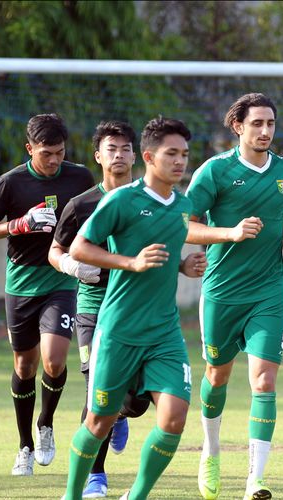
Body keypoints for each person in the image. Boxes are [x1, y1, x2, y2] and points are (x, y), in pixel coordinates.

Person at [61, 116, 201, 500]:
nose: (180, 161)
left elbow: (165, 252)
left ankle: (135, 496)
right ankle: (72, 494)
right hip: (119, 328)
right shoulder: (121, 199)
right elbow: (79, 248)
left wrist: (183, 265)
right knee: (98, 421)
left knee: (173, 417)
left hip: (164, 331)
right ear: (149, 156)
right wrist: (130, 262)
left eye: (184, 154)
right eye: (171, 153)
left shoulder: (182, 204)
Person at [185, 93, 283, 500]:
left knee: (265, 381)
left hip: (268, 293)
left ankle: (255, 478)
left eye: (271, 123)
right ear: (237, 126)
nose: (266, 131)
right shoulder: (214, 172)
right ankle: (212, 451)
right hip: (221, 293)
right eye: (257, 123)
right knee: (217, 375)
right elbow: (185, 225)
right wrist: (230, 233)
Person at [0, 114, 95, 476]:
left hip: (60, 280)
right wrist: (19, 224)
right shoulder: (11, 183)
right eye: (47, 153)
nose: (55, 160)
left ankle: (46, 425)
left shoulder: (80, 178)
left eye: (60, 152)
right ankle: (24, 445)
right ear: (30, 149)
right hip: (21, 285)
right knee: (24, 366)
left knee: (54, 360)